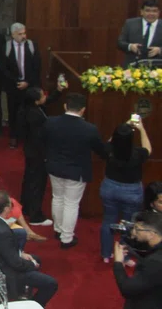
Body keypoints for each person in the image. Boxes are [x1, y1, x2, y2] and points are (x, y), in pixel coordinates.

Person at [42, 93, 106, 248]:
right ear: (83, 110)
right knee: (71, 204)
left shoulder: (50, 122)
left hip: (55, 167)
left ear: (65, 106)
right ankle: (66, 238)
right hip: (76, 172)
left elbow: (43, 142)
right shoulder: (89, 129)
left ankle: (58, 230)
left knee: (57, 198)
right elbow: (102, 152)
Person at [0, 191, 57, 307]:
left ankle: (23, 293)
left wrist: (21, 253)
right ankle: (33, 305)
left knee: (36, 258)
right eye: (11, 205)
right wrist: (32, 265)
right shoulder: (2, 232)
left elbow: (5, 249)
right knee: (51, 283)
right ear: (6, 209)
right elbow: (16, 264)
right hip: (8, 272)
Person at [101, 119, 153, 262]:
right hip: (131, 192)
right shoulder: (137, 153)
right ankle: (124, 257)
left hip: (109, 188)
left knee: (108, 220)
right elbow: (148, 148)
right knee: (129, 224)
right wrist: (141, 128)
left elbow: (108, 142)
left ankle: (106, 254)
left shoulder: (109, 150)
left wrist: (122, 126)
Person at [112, 211, 162, 307]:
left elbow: (127, 289)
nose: (133, 232)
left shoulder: (154, 263)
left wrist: (118, 263)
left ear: (151, 234)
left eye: (137, 229)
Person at [4, 22, 41, 148]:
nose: (23, 36)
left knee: (30, 110)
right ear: (13, 34)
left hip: (29, 85)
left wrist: (27, 82)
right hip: (13, 86)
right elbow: (4, 69)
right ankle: (13, 136)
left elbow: (37, 66)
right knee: (13, 111)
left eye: (24, 33)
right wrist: (17, 82)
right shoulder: (6, 46)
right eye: (20, 34)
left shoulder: (31, 45)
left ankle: (28, 136)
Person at [20, 87, 52, 226]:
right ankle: (35, 216)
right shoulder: (35, 115)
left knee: (29, 180)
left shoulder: (27, 109)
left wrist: (57, 91)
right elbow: (39, 138)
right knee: (37, 183)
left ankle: (27, 207)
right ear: (36, 100)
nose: (45, 96)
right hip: (38, 153)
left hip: (30, 151)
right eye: (42, 95)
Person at [118, 0, 162, 66]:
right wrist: (130, 46)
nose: (151, 14)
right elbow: (120, 43)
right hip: (132, 67)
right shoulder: (130, 23)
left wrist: (159, 50)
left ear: (159, 12)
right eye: (147, 11)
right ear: (141, 12)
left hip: (157, 69)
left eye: (154, 11)